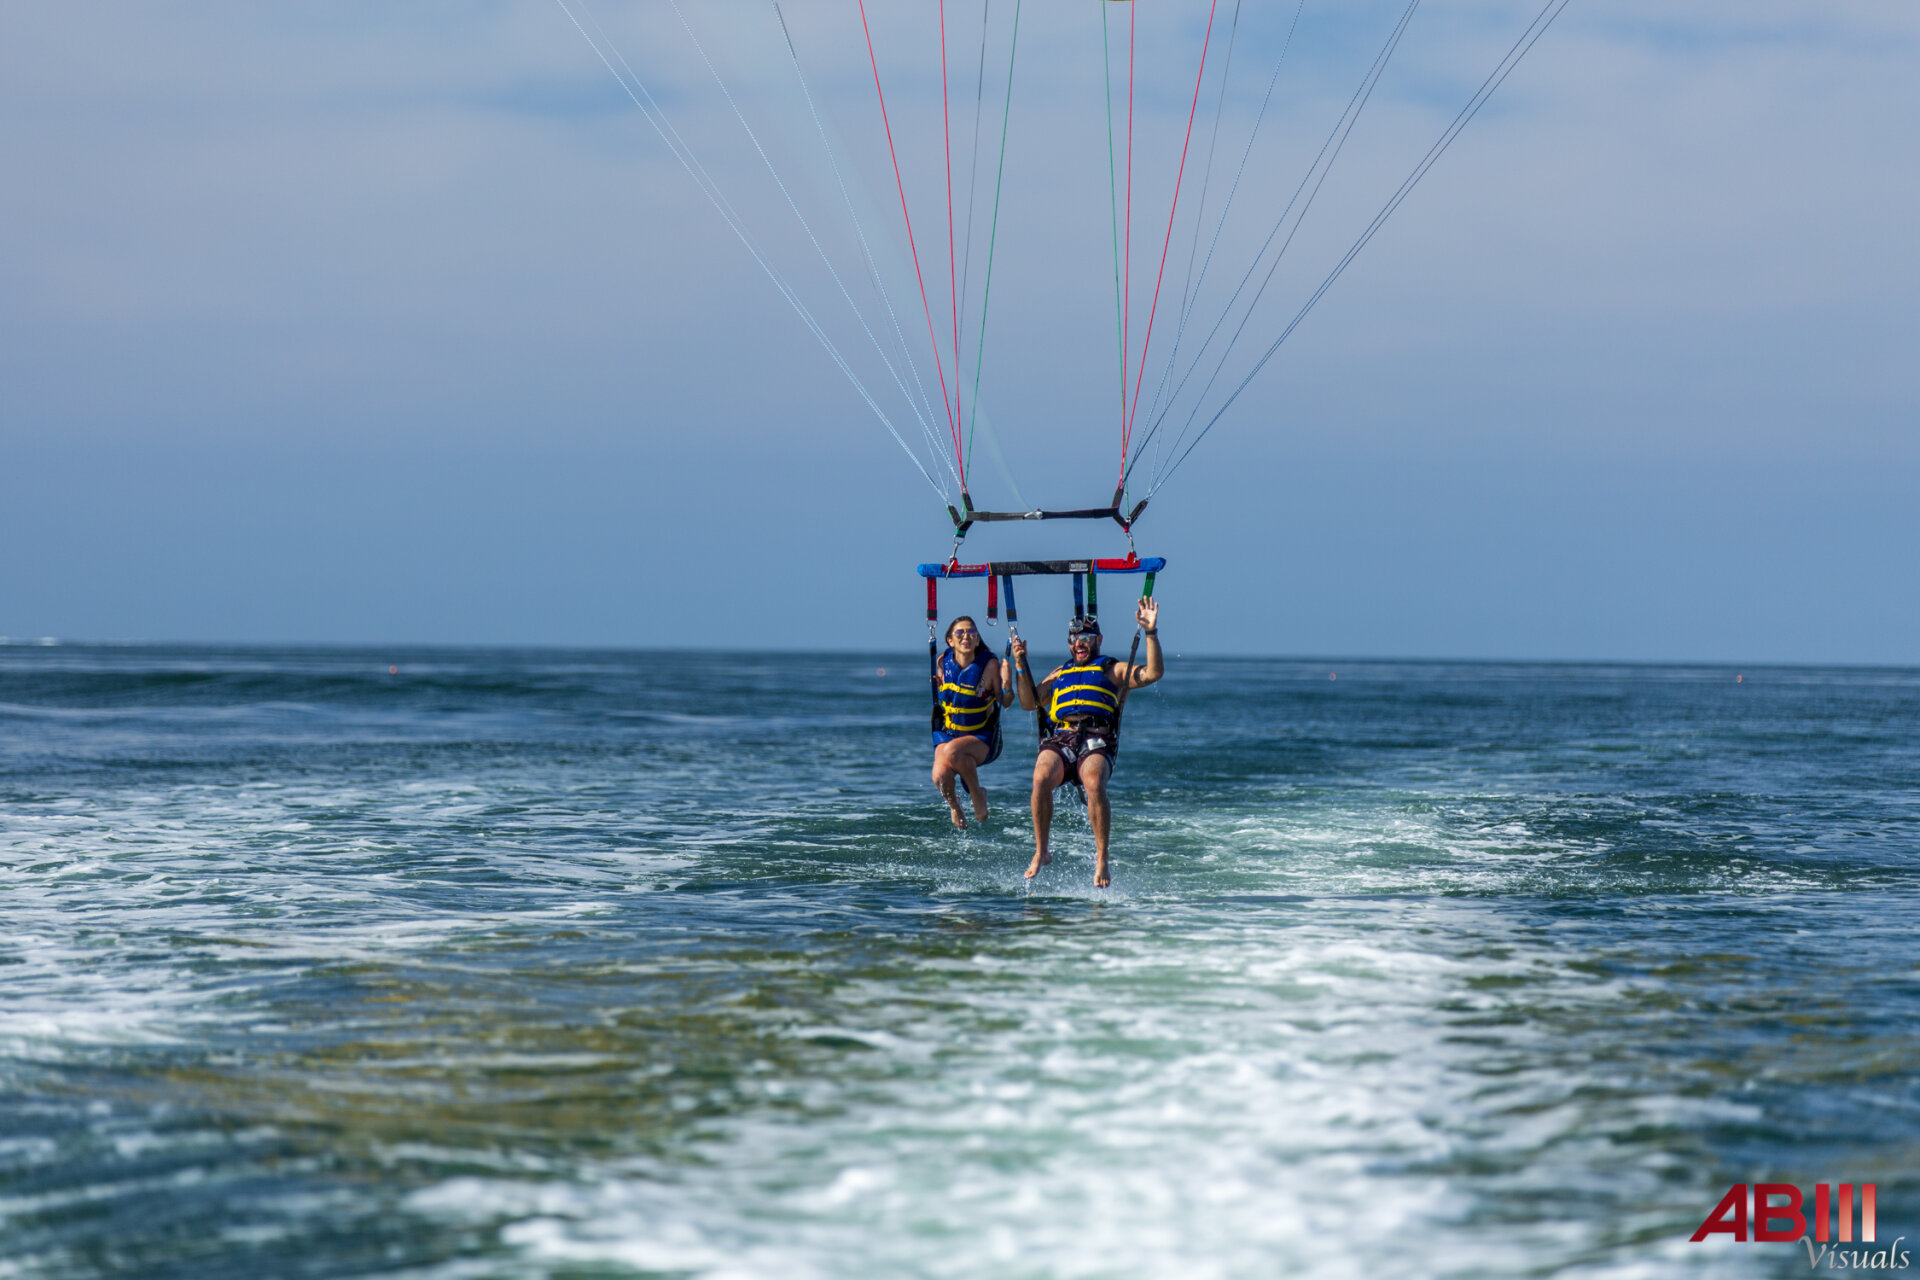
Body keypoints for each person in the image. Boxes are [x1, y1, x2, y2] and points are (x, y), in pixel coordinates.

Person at [1009, 597, 1162, 888]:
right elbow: (1029, 702)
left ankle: (1101, 856)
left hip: (1097, 736)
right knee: (1040, 776)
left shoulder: (1111, 669)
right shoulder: (1060, 673)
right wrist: (1020, 663)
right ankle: (1042, 851)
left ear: (1098, 640)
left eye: (1086, 639)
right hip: (1062, 737)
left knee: (1093, 780)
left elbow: (1153, 673)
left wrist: (1151, 633)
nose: (1079, 644)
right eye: (1074, 639)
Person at [931, 615, 1013, 828]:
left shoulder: (990, 666)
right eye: (960, 633)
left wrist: (1007, 682)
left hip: (983, 737)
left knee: (952, 752)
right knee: (939, 775)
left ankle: (977, 795)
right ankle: (955, 807)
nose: (966, 636)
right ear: (950, 640)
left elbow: (1007, 701)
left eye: (971, 633)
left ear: (977, 640)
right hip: (949, 733)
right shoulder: (943, 662)